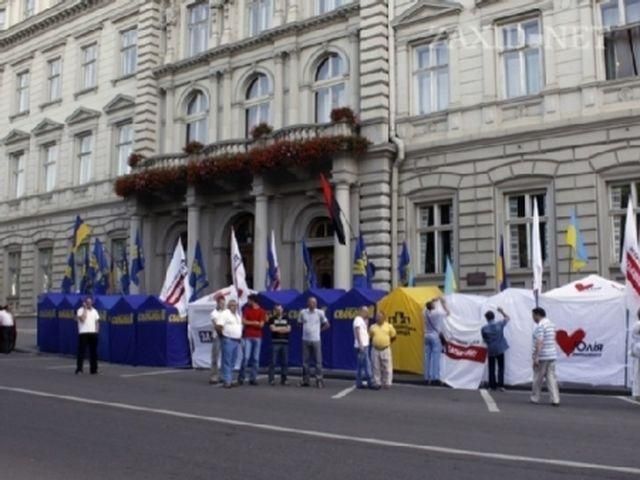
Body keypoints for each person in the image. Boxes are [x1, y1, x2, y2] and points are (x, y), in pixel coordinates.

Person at [530, 307, 560, 406]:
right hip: (552, 355)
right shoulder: (551, 324)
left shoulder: (540, 326)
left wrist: (536, 357)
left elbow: (540, 341)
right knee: (551, 378)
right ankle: (555, 399)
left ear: (538, 315)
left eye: (533, 315)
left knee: (538, 378)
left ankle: (535, 397)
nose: (533, 317)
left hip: (543, 356)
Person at [298, 297, 330, 388]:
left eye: (314, 303)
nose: (313, 304)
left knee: (318, 361)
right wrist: (306, 330)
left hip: (316, 339)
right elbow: (299, 323)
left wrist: (319, 330)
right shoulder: (303, 312)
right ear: (308, 303)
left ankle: (319, 380)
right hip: (305, 339)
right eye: (311, 302)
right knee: (305, 362)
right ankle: (306, 380)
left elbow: (327, 324)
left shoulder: (320, 313)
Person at [238, 294, 266, 385]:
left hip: (257, 336)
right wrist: (254, 322)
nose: (248, 302)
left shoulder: (262, 311)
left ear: (253, 301)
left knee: (255, 358)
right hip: (248, 336)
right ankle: (241, 377)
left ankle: (253, 378)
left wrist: (250, 323)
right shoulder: (247, 310)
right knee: (246, 357)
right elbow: (243, 321)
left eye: (249, 300)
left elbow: (261, 324)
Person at [215, 299, 243, 389]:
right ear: (228, 306)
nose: (234, 307)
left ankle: (227, 378)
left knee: (233, 360)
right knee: (227, 360)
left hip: (236, 340)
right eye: (232, 305)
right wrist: (222, 336)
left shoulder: (237, 315)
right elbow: (218, 326)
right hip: (228, 339)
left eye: (235, 305)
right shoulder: (225, 314)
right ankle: (227, 380)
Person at [481, 307, 511, 391]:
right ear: (494, 317)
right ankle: (501, 385)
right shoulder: (499, 324)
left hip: (491, 349)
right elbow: (508, 318)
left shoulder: (484, 328)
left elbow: (484, 339)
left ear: (486, 318)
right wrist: (502, 311)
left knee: (491, 367)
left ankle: (492, 386)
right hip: (500, 348)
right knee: (501, 367)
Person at [424, 297, 450, 385]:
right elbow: (448, 312)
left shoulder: (425, 312)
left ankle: (427, 377)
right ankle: (435, 377)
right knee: (435, 357)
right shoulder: (438, 313)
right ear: (433, 306)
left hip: (426, 335)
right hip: (435, 336)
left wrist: (432, 301)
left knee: (427, 357)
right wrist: (443, 302)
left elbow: (426, 307)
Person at [369, 311, 396, 389]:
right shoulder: (372, 327)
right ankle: (377, 382)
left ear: (384, 318)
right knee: (375, 367)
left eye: (380, 317)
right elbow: (370, 337)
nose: (378, 318)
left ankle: (387, 383)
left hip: (385, 349)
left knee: (387, 367)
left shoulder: (389, 326)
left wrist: (387, 343)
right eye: (377, 317)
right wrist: (376, 343)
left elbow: (394, 336)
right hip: (375, 349)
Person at [268, 304, 291, 386]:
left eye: (280, 309)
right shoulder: (272, 319)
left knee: (285, 362)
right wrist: (282, 329)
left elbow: (288, 329)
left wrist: (278, 329)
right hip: (275, 342)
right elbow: (272, 329)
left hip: (285, 342)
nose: (279, 311)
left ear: (282, 310)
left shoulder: (287, 318)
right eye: (277, 309)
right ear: (275, 310)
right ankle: (271, 379)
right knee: (273, 362)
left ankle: (284, 379)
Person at [76, 296, 100, 375]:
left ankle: (94, 369)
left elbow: (97, 321)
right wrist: (85, 309)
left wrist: (96, 331)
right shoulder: (80, 310)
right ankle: (79, 369)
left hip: (92, 333)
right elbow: (82, 319)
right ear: (85, 303)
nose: (89, 303)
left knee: (93, 352)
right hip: (83, 333)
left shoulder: (95, 311)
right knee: (81, 352)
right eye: (87, 302)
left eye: (90, 302)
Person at [352, 306, 373, 389]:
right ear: (361, 311)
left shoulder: (362, 321)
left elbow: (364, 332)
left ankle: (359, 382)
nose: (367, 313)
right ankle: (370, 382)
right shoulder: (357, 319)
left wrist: (366, 323)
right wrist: (360, 343)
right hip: (362, 345)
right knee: (366, 364)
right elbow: (357, 331)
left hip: (365, 344)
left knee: (361, 365)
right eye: (365, 311)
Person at [208, 295, 226, 385]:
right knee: (215, 356)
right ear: (218, 303)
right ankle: (214, 376)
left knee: (225, 357)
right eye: (221, 303)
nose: (223, 305)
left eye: (224, 303)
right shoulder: (214, 313)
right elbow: (216, 325)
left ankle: (223, 375)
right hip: (218, 336)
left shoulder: (227, 312)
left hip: (226, 336)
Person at [631, 308, 640, 401]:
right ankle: (637, 393)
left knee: (637, 371)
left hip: (637, 349)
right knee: (637, 371)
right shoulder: (638, 325)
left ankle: (637, 393)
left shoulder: (636, 325)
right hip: (638, 349)